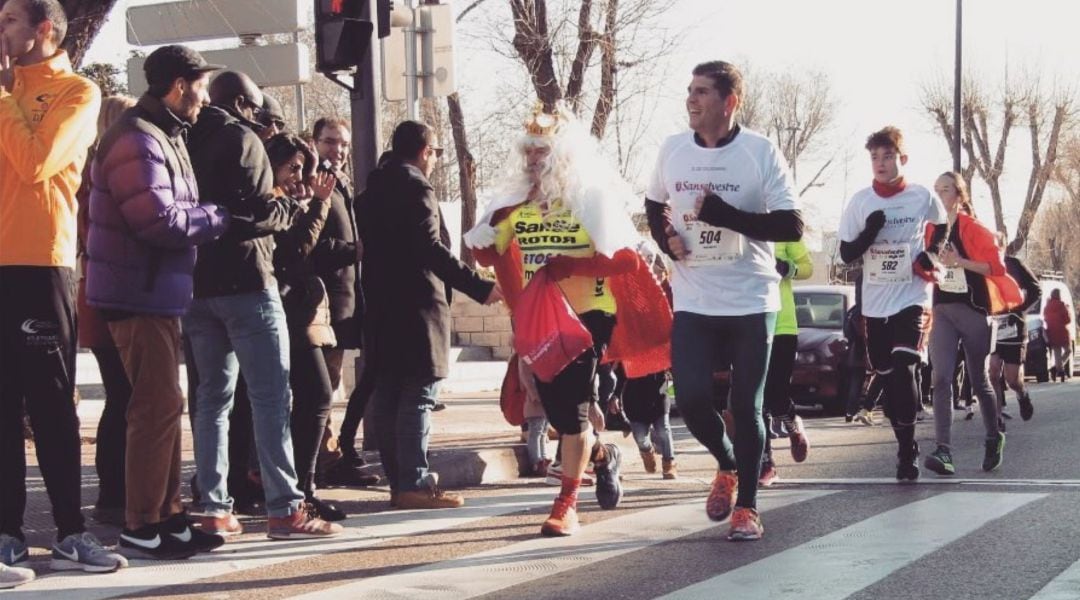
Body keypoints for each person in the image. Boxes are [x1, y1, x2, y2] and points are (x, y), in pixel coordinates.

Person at [467, 104, 671, 536]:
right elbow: (488, 255)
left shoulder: (589, 199)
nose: (535, 161)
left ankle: (566, 503)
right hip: (541, 322)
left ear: (564, 156)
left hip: (588, 317)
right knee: (559, 415)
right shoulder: (514, 203)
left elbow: (627, 263)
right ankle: (602, 455)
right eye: (530, 153)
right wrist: (482, 238)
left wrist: (569, 266)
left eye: (543, 152)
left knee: (574, 407)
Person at [644, 61, 803, 541]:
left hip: (751, 298)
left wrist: (726, 216)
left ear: (730, 102)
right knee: (690, 400)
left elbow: (791, 226)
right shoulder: (672, 149)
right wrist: (664, 238)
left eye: (703, 92)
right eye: (689, 90)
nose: (691, 100)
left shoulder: (759, 151)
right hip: (694, 298)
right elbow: (653, 205)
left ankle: (748, 508)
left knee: (745, 403)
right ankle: (729, 464)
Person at [87, 44, 233, 559]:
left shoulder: (160, 134)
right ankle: (140, 521)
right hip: (137, 295)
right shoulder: (135, 138)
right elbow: (158, 219)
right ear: (178, 85)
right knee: (152, 408)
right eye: (199, 87)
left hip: (156, 294)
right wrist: (220, 217)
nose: (203, 97)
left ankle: (168, 516)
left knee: (165, 404)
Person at [0, 0, 128, 581]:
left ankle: (72, 533)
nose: (0, 30)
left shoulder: (77, 92)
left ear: (42, 29)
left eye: (9, 21)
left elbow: (36, 161)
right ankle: (7, 536)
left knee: (50, 404)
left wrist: (3, 97)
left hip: (40, 264)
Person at [185, 70, 341, 540]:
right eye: (256, 112)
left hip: (197, 285)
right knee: (272, 397)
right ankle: (285, 507)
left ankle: (214, 506)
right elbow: (257, 213)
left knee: (211, 399)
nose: (264, 125)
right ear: (240, 104)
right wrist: (294, 204)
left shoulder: (182, 138)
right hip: (249, 282)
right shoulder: (242, 138)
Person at [360, 120, 502, 510]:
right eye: (436, 152)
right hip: (418, 308)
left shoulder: (371, 189)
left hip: (382, 309)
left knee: (389, 395)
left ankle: (399, 483)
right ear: (425, 151)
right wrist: (479, 286)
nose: (436, 160)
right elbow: (430, 248)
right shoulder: (416, 186)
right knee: (419, 395)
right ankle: (415, 484)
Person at [839, 128, 947, 482]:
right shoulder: (860, 202)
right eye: (874, 158)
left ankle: (907, 449)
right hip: (875, 302)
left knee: (904, 367)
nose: (880, 164)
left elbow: (942, 223)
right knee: (886, 372)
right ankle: (905, 440)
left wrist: (931, 253)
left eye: (887, 157)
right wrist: (870, 232)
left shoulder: (921, 196)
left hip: (912, 296)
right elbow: (846, 254)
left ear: (902, 159)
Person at [264, 132, 347, 521]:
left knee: (315, 396)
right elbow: (296, 250)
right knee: (314, 394)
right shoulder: (273, 202)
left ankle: (302, 487)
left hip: (301, 309)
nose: (299, 175)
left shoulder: (293, 200)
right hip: (286, 310)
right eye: (292, 168)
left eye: (303, 168)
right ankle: (298, 489)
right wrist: (320, 203)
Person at [922, 172, 1022, 476]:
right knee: (941, 378)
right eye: (936, 189)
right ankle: (944, 451)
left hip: (974, 310)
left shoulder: (973, 228)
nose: (939, 194)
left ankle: (994, 436)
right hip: (943, 310)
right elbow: (924, 261)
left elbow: (996, 266)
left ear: (959, 195)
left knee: (978, 380)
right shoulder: (929, 229)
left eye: (946, 189)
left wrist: (960, 263)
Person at [75, 94, 136, 528]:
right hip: (115, 292)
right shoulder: (106, 173)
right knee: (126, 396)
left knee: (122, 395)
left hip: (94, 293)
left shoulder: (87, 170)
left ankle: (114, 491)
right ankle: (117, 491)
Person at [308, 117, 377, 488]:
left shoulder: (342, 186)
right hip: (321, 303)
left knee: (331, 384)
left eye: (343, 144)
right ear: (315, 142)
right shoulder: (313, 183)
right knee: (320, 387)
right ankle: (325, 459)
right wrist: (356, 250)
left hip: (345, 302)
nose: (338, 150)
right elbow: (312, 244)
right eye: (330, 142)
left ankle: (331, 454)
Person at [759, 240, 813, 486]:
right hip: (748, 322)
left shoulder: (782, 229)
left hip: (782, 324)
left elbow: (807, 268)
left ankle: (792, 425)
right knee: (754, 399)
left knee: (775, 395)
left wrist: (787, 267)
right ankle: (765, 464)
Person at [990, 242, 1040, 421]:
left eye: (996, 246)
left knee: (1012, 380)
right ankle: (996, 418)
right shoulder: (981, 265)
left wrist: (1020, 310)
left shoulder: (1015, 265)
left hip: (1014, 327)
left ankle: (1022, 394)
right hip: (993, 326)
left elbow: (1036, 290)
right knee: (992, 372)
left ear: (1003, 247)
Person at [1044, 289, 1072, 383]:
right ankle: (1058, 369)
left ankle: (1058, 369)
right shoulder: (1061, 305)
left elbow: (1045, 318)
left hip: (1051, 332)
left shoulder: (1047, 306)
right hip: (1062, 331)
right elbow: (1068, 320)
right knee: (1068, 350)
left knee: (1057, 353)